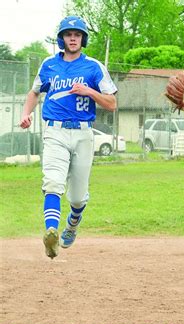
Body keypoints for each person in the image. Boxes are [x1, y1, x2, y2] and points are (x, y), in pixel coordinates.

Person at [19, 16, 117, 259]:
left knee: (77, 196)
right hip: (55, 132)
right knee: (52, 182)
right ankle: (51, 232)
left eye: (77, 34)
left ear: (83, 39)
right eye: (68, 34)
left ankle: (72, 225)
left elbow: (112, 103)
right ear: (61, 38)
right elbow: (33, 93)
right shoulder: (49, 65)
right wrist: (25, 114)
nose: (73, 38)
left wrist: (89, 91)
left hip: (83, 133)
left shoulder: (94, 67)